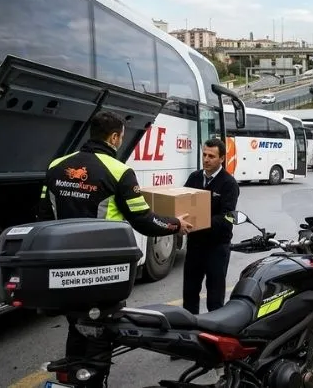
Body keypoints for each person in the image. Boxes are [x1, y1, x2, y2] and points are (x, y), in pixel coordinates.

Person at [38, 111, 193, 388]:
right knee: (101, 328)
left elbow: (41, 215)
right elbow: (144, 220)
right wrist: (175, 225)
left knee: (76, 322)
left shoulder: (56, 166)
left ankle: (73, 376)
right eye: (121, 136)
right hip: (102, 268)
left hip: (62, 266)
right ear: (113, 137)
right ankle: (92, 382)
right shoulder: (119, 171)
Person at [182, 138, 241, 314]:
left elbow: (228, 217)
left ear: (222, 159)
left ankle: (213, 335)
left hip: (217, 247)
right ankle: (188, 332)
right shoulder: (194, 178)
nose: (206, 159)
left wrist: (201, 221)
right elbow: (183, 202)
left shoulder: (229, 184)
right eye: (204, 155)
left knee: (215, 299)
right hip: (195, 245)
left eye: (211, 156)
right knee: (190, 294)